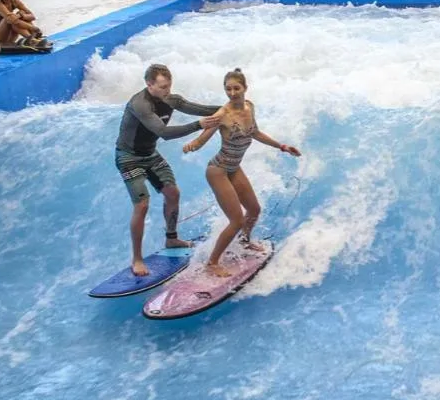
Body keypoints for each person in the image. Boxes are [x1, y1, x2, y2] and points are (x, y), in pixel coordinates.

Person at [182, 68, 301, 277]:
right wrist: (192, 144)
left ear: (245, 88)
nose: (232, 93)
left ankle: (244, 242)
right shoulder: (222, 115)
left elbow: (255, 132)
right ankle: (212, 262)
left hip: (234, 168)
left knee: (254, 210)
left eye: (236, 88)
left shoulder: (249, 107)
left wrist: (281, 146)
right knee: (236, 220)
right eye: (228, 89)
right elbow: (202, 139)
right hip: (218, 170)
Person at [116, 63, 221, 277]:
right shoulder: (140, 104)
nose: (167, 91)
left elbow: (201, 109)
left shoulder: (171, 99)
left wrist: (231, 106)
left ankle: (171, 238)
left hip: (150, 154)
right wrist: (198, 125)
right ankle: (137, 258)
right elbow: (163, 132)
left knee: (173, 194)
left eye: (169, 86)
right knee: (142, 205)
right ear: (149, 84)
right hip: (129, 158)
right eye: (163, 87)